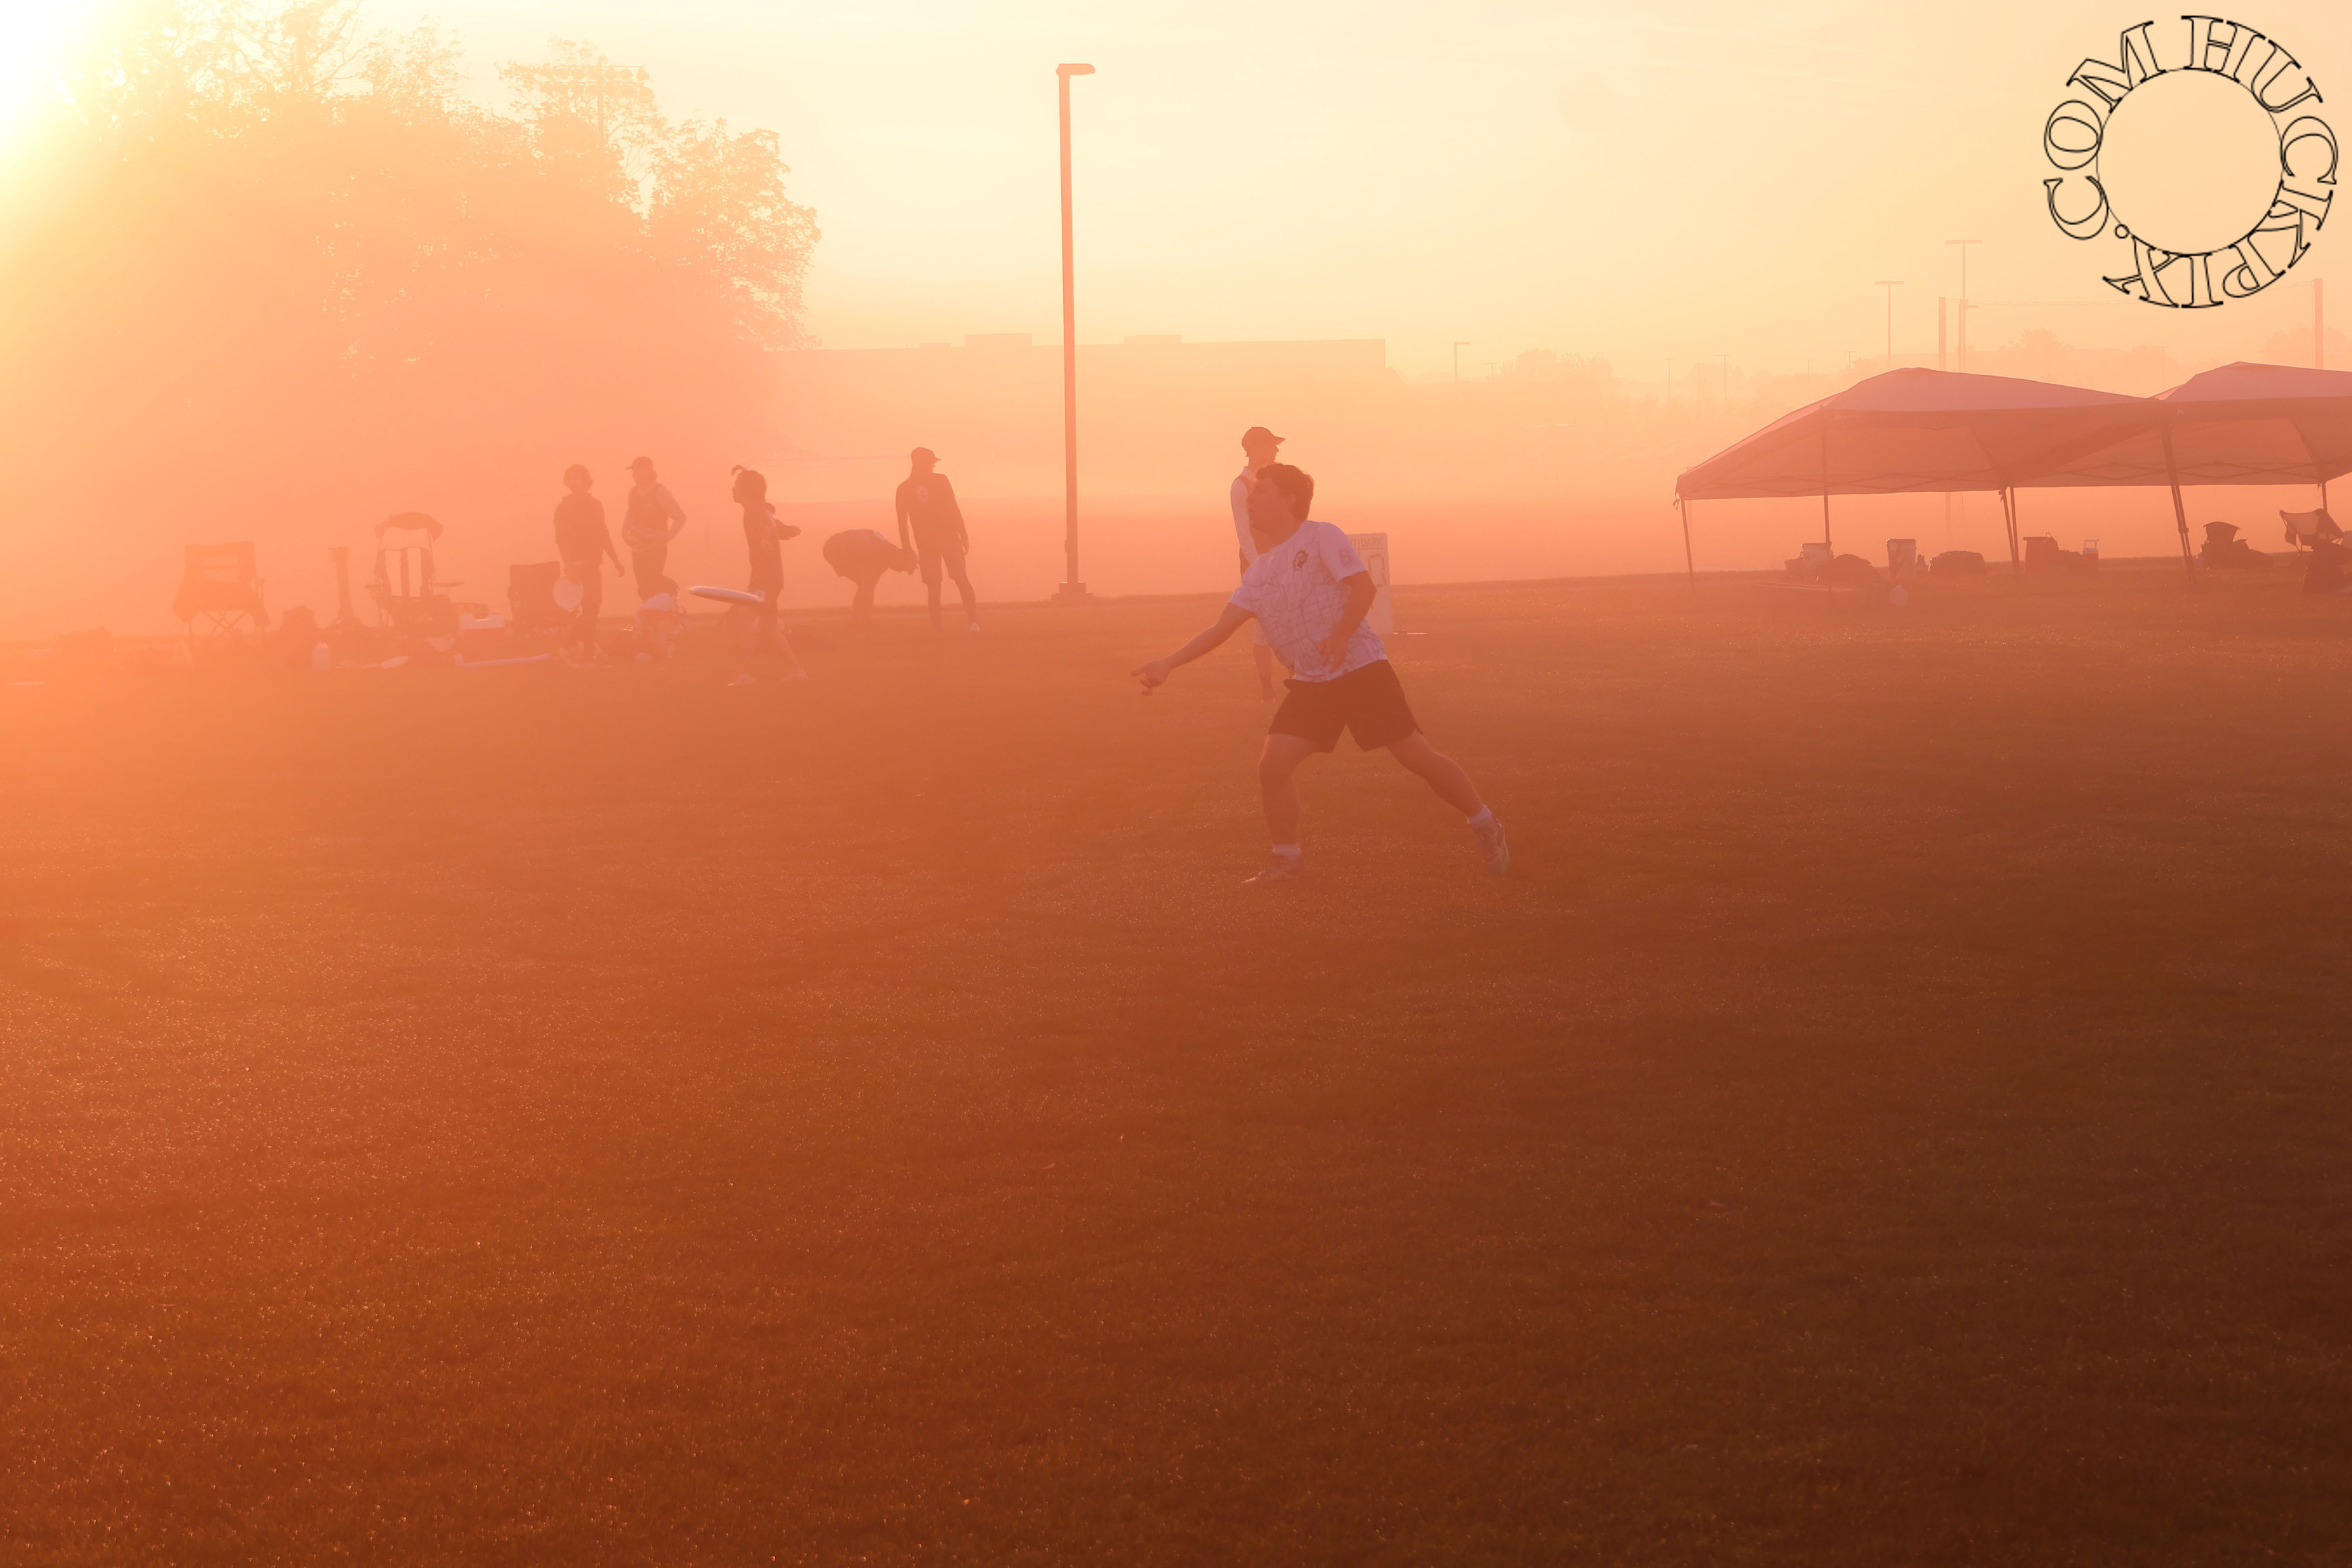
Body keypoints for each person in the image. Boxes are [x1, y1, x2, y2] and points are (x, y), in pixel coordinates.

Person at [1131, 462, 1507, 884]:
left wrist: (1342, 635)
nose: (1250, 500)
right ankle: (1287, 860)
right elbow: (1221, 628)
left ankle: (1484, 822)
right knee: (1272, 766)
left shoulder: (1322, 535)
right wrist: (1167, 664)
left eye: (1261, 492)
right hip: (1312, 683)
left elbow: (1364, 588)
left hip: (1362, 669)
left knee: (1416, 757)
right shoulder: (1259, 572)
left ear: (1290, 499)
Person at [727, 466, 808, 684]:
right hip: (772, 579)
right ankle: (796, 672)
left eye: (737, 486)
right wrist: (788, 530)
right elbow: (774, 529)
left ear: (746, 490)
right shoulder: (760, 509)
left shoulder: (754, 511)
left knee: (744, 622)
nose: (733, 490)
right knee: (769, 628)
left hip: (764, 579)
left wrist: (758, 582)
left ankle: (744, 674)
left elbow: (765, 540)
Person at [1229, 426, 1286, 701]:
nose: (1276, 451)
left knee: (1290, 618)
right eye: (1270, 446)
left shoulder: (1273, 479)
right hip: (1259, 561)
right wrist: (1258, 567)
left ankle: (1294, 682)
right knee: (1264, 624)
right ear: (1254, 449)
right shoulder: (1240, 486)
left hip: (1279, 557)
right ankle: (1267, 690)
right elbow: (1244, 533)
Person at [894, 447, 977, 633]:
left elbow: (902, 523)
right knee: (961, 579)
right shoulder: (941, 480)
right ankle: (973, 623)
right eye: (931, 462)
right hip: (948, 538)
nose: (933, 465)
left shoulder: (904, 488)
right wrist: (963, 535)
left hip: (925, 543)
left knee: (934, 587)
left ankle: (938, 629)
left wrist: (907, 548)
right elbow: (954, 508)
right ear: (921, 463)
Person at [552, 463, 621, 658]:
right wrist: (570, 564)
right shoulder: (563, 508)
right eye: (570, 478)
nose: (574, 482)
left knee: (593, 609)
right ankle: (580, 649)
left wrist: (615, 559)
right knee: (590, 608)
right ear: (566, 483)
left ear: (586, 480)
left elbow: (603, 533)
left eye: (577, 477)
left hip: (594, 564)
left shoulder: (596, 505)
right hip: (577, 567)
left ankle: (580, 649)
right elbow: (562, 539)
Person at [622, 456, 687, 599]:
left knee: (652, 585)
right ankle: (648, 618)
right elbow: (630, 514)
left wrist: (667, 537)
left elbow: (680, 518)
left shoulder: (660, 492)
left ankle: (665, 608)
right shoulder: (633, 492)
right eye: (633, 472)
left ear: (648, 471)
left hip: (655, 549)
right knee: (643, 588)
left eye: (638, 471)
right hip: (637, 549)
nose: (634, 475)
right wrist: (624, 531)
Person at [822, 527, 916, 624]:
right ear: (902, 557)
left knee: (866, 585)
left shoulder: (886, 553)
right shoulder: (883, 554)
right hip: (836, 547)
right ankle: (861, 620)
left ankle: (860, 619)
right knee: (867, 585)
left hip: (835, 546)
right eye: (903, 568)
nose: (900, 571)